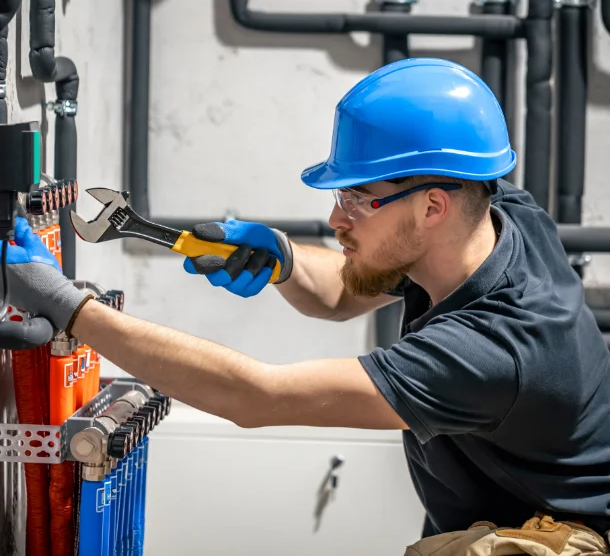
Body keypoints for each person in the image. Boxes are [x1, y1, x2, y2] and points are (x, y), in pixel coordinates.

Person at [4, 58, 610, 551]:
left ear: (432, 206)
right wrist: (285, 259)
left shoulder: (495, 350)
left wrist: (69, 307)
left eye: (357, 198)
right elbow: (347, 289)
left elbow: (255, 398)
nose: (335, 219)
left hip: (558, 539)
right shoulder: (496, 214)